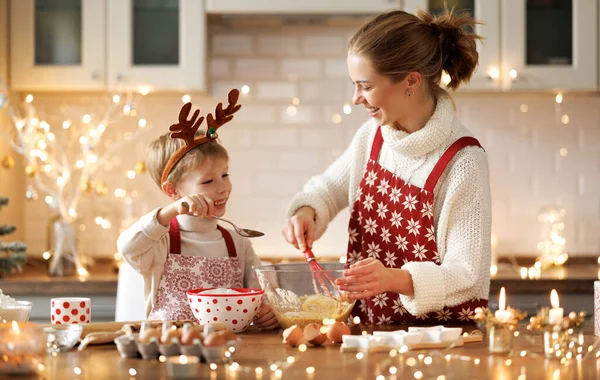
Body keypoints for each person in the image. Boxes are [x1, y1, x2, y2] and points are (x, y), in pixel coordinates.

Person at [282, 8, 491, 324]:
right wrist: (307, 212)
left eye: (365, 86)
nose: (356, 99)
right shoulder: (372, 137)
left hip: (439, 340)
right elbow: (328, 189)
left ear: (411, 81)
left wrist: (393, 280)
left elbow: (467, 274)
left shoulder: (463, 161)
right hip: (370, 329)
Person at [118, 89, 278, 329]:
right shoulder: (159, 242)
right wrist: (170, 211)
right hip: (169, 352)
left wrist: (268, 310)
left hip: (225, 351)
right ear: (173, 191)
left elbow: (262, 292)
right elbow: (127, 246)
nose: (222, 187)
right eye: (208, 181)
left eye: (225, 175)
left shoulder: (238, 242)